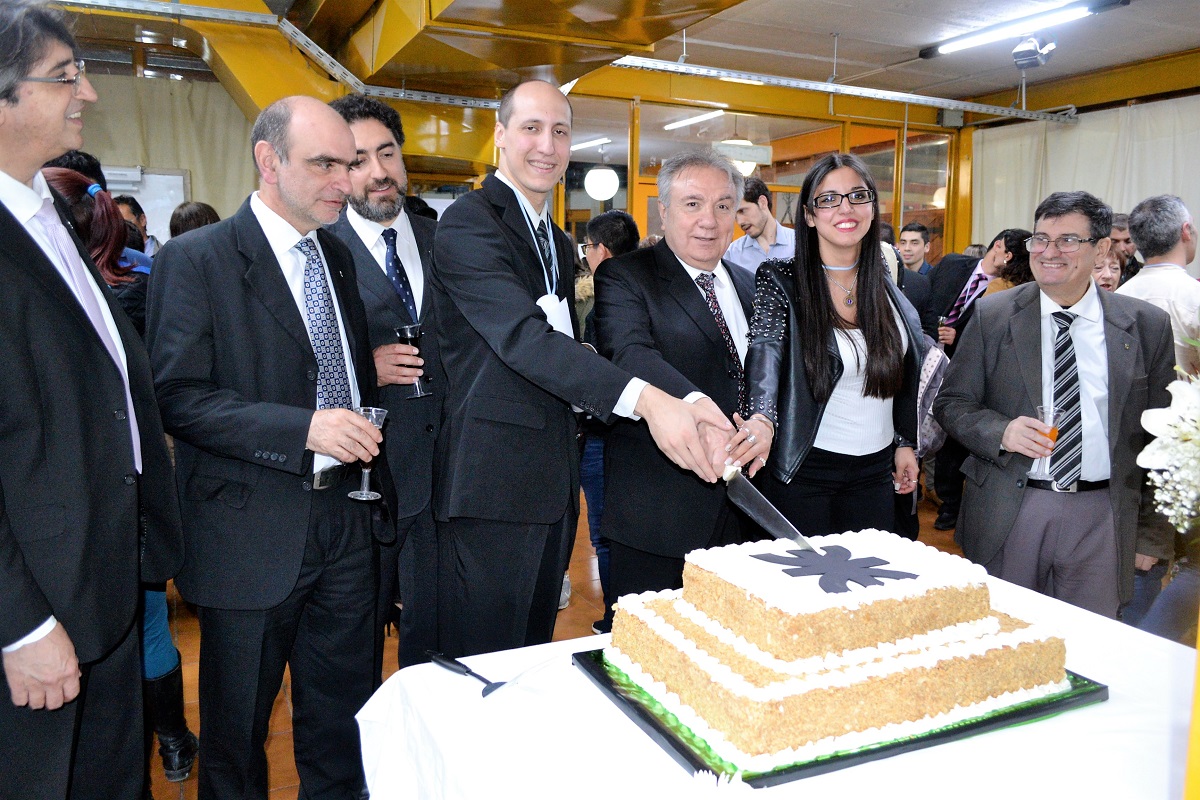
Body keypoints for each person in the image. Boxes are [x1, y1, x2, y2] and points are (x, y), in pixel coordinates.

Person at [429, 79, 733, 659]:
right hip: (491, 483)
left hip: (547, 480)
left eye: (560, 131)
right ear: (499, 135)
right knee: (484, 665)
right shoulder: (470, 223)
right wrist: (647, 398)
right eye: (531, 128)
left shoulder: (550, 235)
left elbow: (560, 347)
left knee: (528, 652)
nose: (547, 145)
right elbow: (524, 339)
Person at [146, 96, 395, 800]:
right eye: (323, 164)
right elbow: (180, 397)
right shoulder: (198, 261)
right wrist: (303, 428)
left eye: (347, 164)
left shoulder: (338, 257)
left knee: (342, 724)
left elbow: (323, 360)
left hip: (350, 521)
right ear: (268, 160)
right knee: (236, 740)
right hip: (247, 535)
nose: (342, 182)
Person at [0, 3, 183, 798]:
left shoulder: (49, 215)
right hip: (39, 607)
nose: (89, 94)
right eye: (65, 75)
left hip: (105, 588)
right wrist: (19, 620)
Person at [933, 191, 1175, 617]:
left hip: (1104, 514)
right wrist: (1001, 431)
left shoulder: (1145, 326)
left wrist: (1151, 535)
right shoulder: (993, 316)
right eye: (1040, 239)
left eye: (1067, 240)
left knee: (1092, 647)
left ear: (1101, 249)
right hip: (1014, 507)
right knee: (1006, 639)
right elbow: (952, 403)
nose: (1048, 252)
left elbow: (1162, 439)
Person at [42, 167, 199, 785]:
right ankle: (175, 740)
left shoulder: (88, 290)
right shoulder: (139, 279)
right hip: (135, 488)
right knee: (150, 621)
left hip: (99, 501)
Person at [595, 150, 757, 629]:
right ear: (663, 210)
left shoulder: (751, 285)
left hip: (745, 517)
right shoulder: (626, 276)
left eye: (724, 206)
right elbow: (630, 353)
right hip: (659, 516)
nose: (709, 220)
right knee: (648, 657)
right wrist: (698, 405)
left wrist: (765, 419)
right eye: (692, 204)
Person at [730, 152, 925, 536]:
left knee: (869, 589)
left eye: (857, 195)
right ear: (808, 214)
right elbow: (765, 351)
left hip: (875, 472)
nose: (845, 208)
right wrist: (761, 417)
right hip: (806, 470)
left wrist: (904, 442)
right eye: (828, 199)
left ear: (872, 206)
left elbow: (898, 369)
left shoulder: (883, 278)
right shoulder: (781, 279)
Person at [328, 93, 443, 670]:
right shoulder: (320, 251)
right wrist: (361, 371)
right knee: (353, 654)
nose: (377, 173)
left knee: (437, 644)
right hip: (363, 487)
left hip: (446, 479)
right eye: (356, 160)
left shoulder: (443, 238)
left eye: (387, 153)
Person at [927, 229, 1025, 531]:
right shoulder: (952, 265)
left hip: (966, 370)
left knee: (956, 437)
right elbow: (925, 305)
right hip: (928, 359)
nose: (1014, 263)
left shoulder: (1009, 289)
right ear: (1000, 248)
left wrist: (958, 339)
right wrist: (933, 333)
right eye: (1014, 256)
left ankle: (951, 506)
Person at [577, 209, 639, 633]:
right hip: (641, 432)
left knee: (605, 532)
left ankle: (617, 618)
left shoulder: (602, 298)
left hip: (602, 431)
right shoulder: (648, 286)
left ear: (600, 249)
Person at [722, 176, 795, 275]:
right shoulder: (733, 254)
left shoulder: (799, 244)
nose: (739, 222)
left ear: (762, 202)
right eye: (735, 216)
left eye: (742, 211)